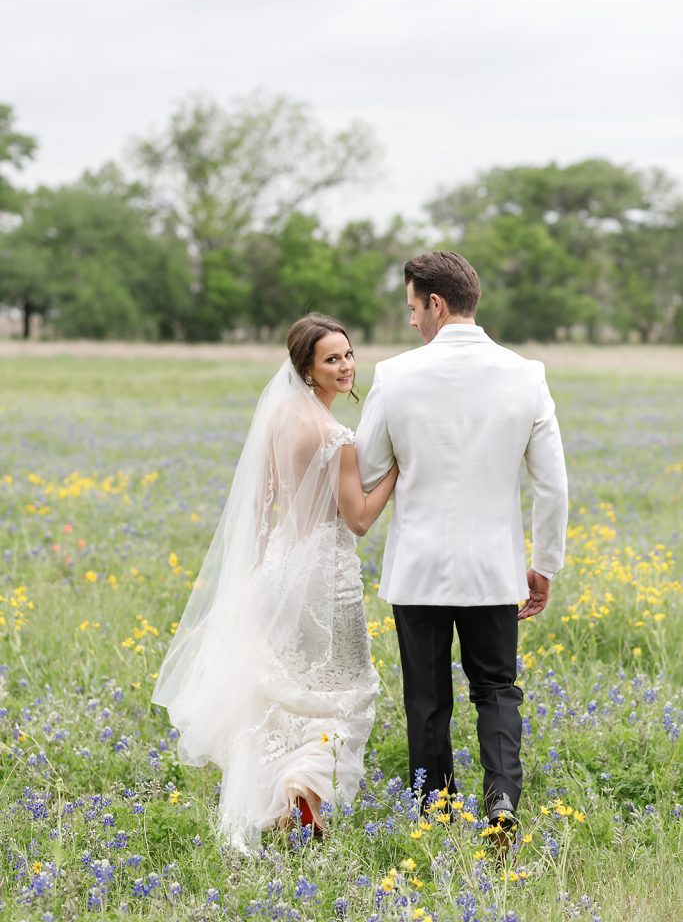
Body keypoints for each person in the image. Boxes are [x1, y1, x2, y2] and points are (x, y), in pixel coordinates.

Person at [152, 314, 397, 853]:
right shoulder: (336, 436)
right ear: (306, 369)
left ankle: (284, 798)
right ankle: (302, 787)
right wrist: (396, 472)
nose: (345, 366)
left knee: (290, 694)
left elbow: (262, 511)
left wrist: (256, 579)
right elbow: (357, 518)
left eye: (348, 354)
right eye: (331, 359)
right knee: (342, 694)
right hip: (328, 578)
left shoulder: (276, 419)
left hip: (282, 571)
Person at [355, 251, 568, 835]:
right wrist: (544, 563)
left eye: (412, 309)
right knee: (497, 689)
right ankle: (500, 805)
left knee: (426, 697)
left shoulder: (395, 375)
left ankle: (435, 812)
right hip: (494, 567)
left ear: (436, 304)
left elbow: (369, 467)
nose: (411, 322)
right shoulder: (527, 375)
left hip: (418, 567)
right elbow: (552, 484)